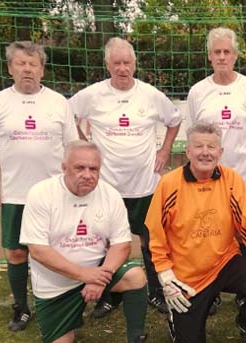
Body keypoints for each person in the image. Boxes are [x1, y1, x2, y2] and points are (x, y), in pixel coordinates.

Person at [19, 141, 158, 343]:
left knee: (135, 276)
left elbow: (122, 245)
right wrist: (86, 276)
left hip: (98, 272)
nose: (87, 175)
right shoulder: (41, 194)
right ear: (64, 167)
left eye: (93, 169)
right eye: (79, 168)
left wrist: (99, 277)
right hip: (56, 285)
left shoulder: (110, 195)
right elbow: (38, 250)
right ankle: (82, 306)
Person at [144, 122, 246, 343]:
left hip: (224, 263)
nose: (205, 152)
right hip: (189, 276)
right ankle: (178, 318)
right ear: (187, 152)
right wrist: (165, 276)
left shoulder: (231, 179)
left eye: (211, 147)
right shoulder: (169, 184)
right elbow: (155, 235)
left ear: (220, 153)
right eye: (198, 146)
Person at [69, 37, 182, 316]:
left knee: (150, 240)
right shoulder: (93, 95)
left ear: (134, 64)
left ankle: (156, 292)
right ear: (107, 65)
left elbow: (175, 120)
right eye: (116, 63)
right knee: (107, 243)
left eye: (127, 62)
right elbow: (66, 114)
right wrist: (86, 145)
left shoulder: (150, 95)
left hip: (145, 186)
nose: (122, 68)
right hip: (107, 188)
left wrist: (165, 150)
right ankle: (110, 295)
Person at [0, 41, 78, 332]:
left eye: (33, 64)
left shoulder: (58, 102)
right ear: (10, 68)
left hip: (55, 194)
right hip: (15, 194)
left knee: (59, 249)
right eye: (21, 64)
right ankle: (21, 307)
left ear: (42, 70)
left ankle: (64, 300)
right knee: (17, 253)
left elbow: (72, 148)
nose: (27, 69)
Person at [187, 27, 246, 315]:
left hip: (245, 178)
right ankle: (210, 290)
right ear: (209, 56)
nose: (222, 57)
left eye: (227, 52)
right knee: (208, 233)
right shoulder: (198, 91)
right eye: (217, 52)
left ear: (236, 55)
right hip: (207, 180)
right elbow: (194, 137)